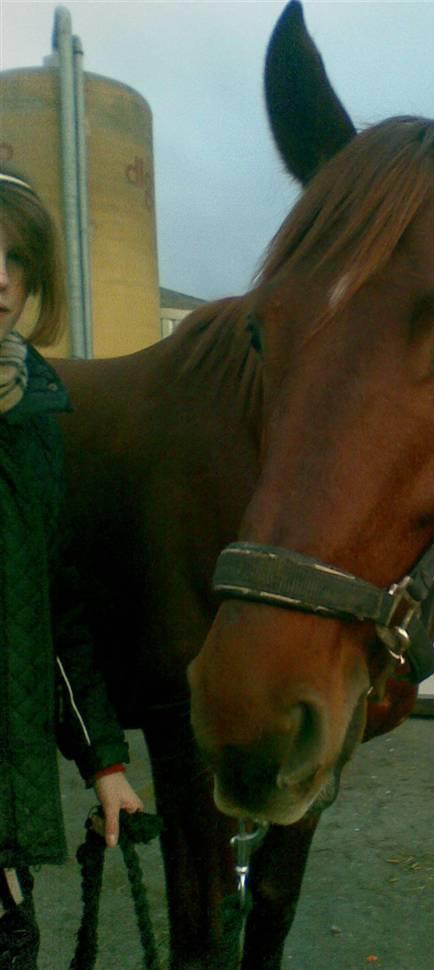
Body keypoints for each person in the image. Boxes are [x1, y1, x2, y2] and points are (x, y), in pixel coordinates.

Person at [0, 168, 144, 968]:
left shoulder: (35, 425)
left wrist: (105, 762)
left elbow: (50, 617)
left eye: (16, 257)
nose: (0, 278)